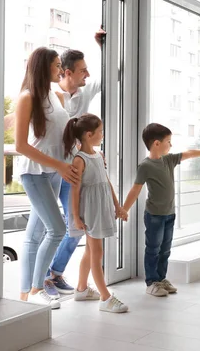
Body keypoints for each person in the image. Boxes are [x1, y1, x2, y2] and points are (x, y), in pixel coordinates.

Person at [123, 123, 200, 296]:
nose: (171, 145)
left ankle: (161, 279)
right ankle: (151, 282)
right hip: (154, 216)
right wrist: (124, 209)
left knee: (165, 250)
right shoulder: (145, 166)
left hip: (170, 214)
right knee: (153, 249)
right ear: (156, 143)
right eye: (168, 141)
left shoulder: (168, 160)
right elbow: (136, 189)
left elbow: (190, 154)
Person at [15, 47, 80, 309]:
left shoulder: (56, 97)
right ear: (43, 67)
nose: (60, 69)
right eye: (56, 65)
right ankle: (38, 287)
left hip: (55, 171)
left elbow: (62, 138)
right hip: (34, 172)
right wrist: (59, 166)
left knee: (36, 232)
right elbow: (21, 145)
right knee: (57, 229)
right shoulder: (27, 98)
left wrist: (82, 156)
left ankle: (24, 294)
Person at [46, 28, 106, 297]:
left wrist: (102, 45)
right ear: (67, 72)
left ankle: (54, 274)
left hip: (74, 170)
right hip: (50, 169)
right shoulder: (49, 97)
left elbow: (106, 77)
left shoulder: (85, 92)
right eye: (82, 70)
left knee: (76, 226)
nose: (87, 75)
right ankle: (42, 281)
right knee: (50, 228)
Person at [62, 113, 129, 313]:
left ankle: (81, 289)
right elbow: (74, 190)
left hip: (102, 207)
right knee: (97, 253)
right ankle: (105, 297)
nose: (103, 134)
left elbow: (106, 183)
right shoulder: (79, 160)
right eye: (100, 131)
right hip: (90, 211)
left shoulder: (98, 155)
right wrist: (75, 217)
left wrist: (117, 206)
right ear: (89, 134)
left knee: (90, 251)